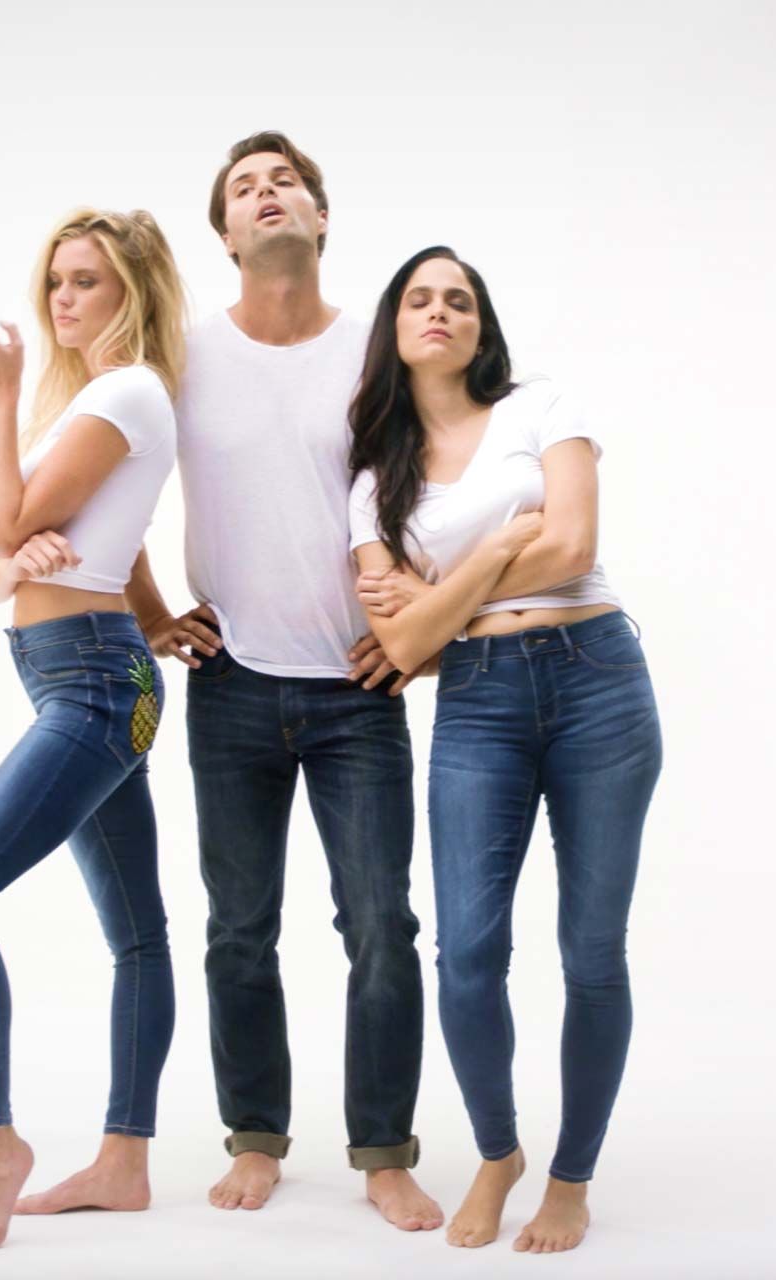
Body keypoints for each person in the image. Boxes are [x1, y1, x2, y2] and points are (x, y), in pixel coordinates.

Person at [122, 131, 442, 1229]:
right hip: (235, 683)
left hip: (362, 687)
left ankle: (385, 1150)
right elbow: (109, 477)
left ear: (320, 217)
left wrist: (413, 631)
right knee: (238, 925)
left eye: (286, 183)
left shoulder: (374, 351)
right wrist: (158, 613)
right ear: (224, 232)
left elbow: (425, 491)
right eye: (246, 189)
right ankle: (256, 1135)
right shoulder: (183, 356)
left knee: (382, 923)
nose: (268, 197)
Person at [347, 246, 662, 1254]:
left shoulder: (540, 406)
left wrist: (440, 596)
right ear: (395, 325)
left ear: (481, 327)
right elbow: (399, 645)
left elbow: (570, 545)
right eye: (421, 297)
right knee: (469, 953)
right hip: (477, 700)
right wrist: (490, 550)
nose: (441, 310)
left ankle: (569, 1176)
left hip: (599, 680)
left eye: (461, 299)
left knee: (591, 951)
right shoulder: (373, 482)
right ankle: (499, 1150)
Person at [0, 207, 187, 1252]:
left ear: (134, 293)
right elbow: (108, 539)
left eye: (88, 282)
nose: (66, 299)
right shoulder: (116, 397)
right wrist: (158, 615)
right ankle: (124, 1162)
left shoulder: (123, 390)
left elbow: (11, 529)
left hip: (91, 689)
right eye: (58, 281)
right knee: (137, 934)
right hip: (84, 675)